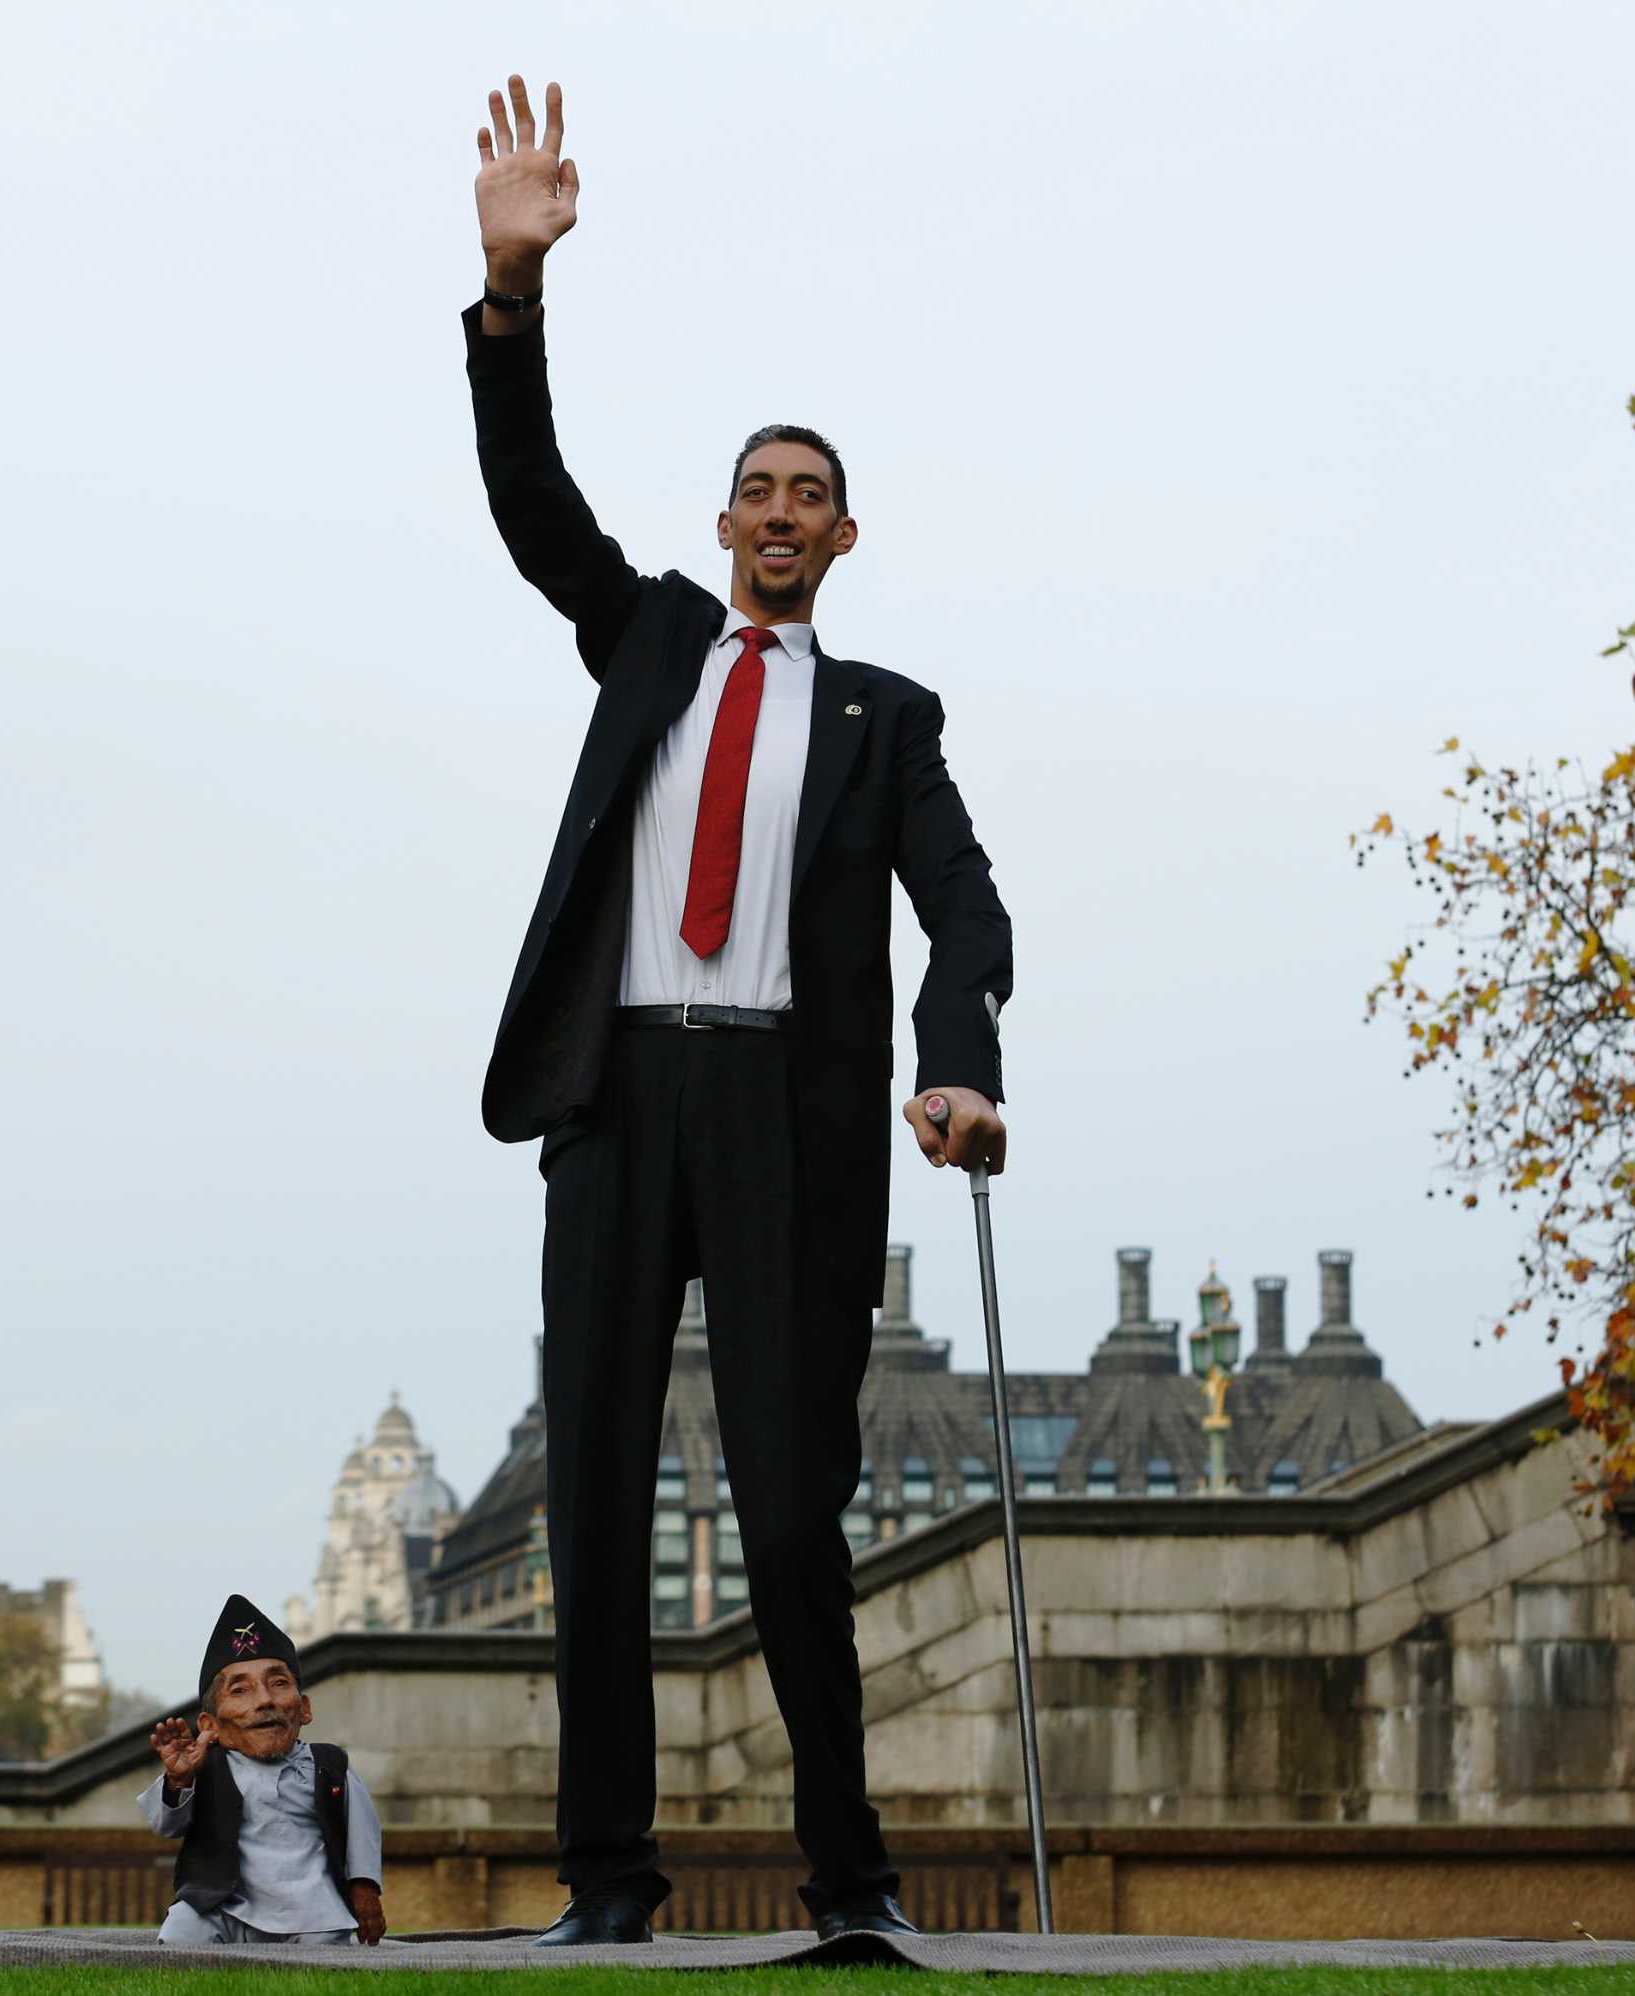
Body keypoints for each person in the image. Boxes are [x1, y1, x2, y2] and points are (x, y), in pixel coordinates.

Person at [461, 74, 1015, 1947]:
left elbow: (964, 903)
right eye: (759, 492)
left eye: (812, 500)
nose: (782, 516)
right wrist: (514, 290)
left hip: (786, 1119)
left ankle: (852, 1883)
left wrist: (956, 1067)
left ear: (844, 541)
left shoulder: (886, 718)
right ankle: (607, 1884)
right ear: (723, 522)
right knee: (597, 1507)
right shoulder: (649, 639)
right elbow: (532, 503)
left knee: (788, 1516)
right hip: (618, 1099)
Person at [139, 1595, 386, 1947]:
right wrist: (179, 1780)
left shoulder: (330, 1766)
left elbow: (362, 1832)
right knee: (182, 1934)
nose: (265, 1700)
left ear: (304, 1708)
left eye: (279, 1683)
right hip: (221, 1905)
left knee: (326, 1952)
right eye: (240, 1690)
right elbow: (167, 1826)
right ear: (211, 1726)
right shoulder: (205, 1768)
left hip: (312, 1909)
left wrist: (364, 1889)